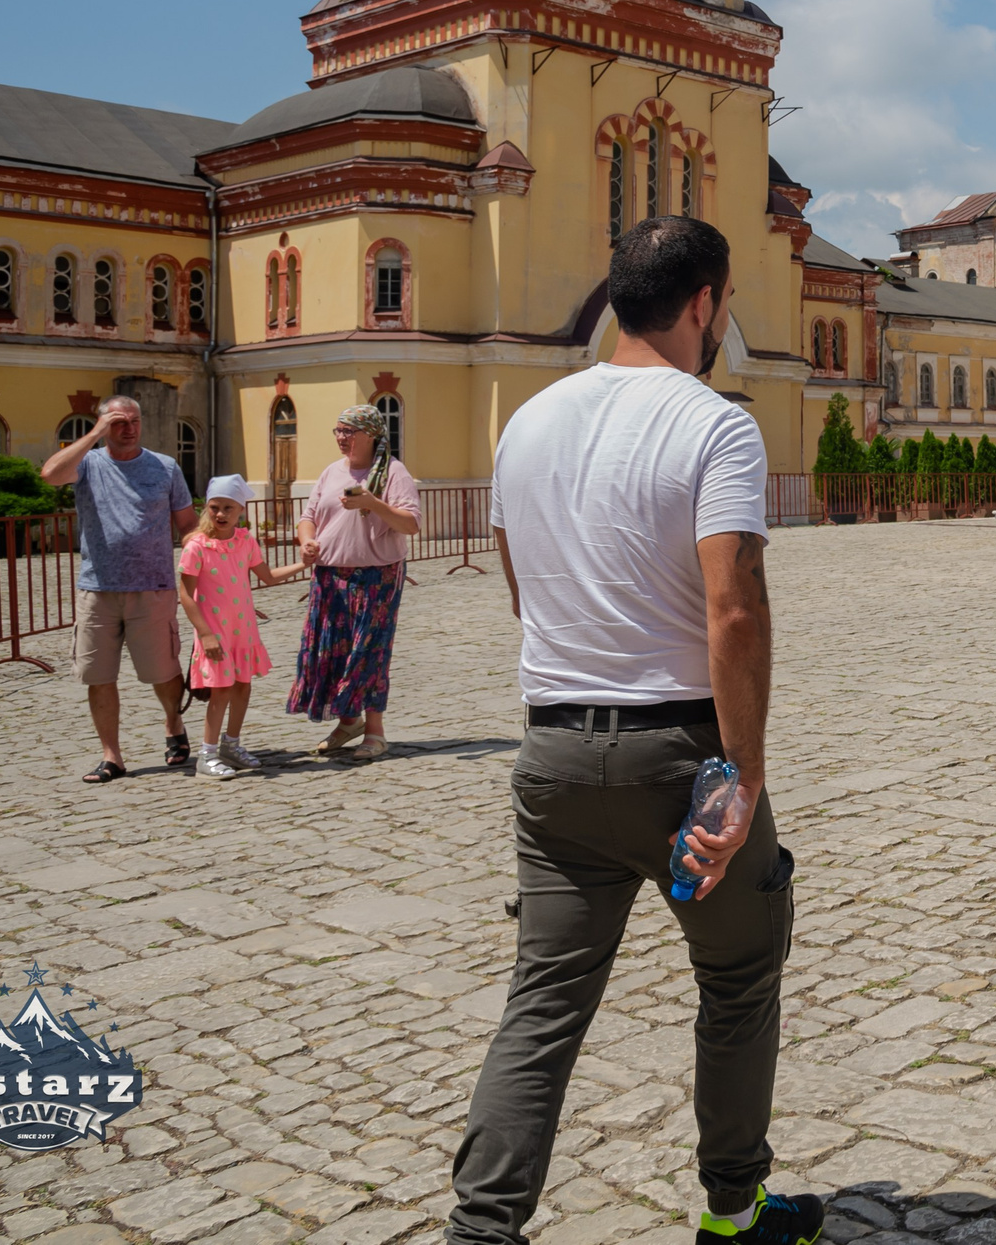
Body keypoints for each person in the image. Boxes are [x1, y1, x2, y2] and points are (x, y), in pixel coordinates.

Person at [450, 216, 821, 1245]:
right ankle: (734, 1211)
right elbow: (733, 603)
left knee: (544, 999)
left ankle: (482, 1226)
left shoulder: (525, 420)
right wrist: (739, 774)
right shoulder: (713, 424)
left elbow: (523, 589)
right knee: (739, 972)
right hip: (678, 753)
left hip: (554, 749)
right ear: (704, 301)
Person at [40, 394, 199, 784]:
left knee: (163, 671)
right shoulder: (88, 465)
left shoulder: (165, 467)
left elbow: (187, 524)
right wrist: (95, 432)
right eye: (118, 423)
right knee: (99, 675)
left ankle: (173, 722)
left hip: (154, 587)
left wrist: (202, 571)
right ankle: (112, 756)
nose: (127, 429)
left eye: (133, 421)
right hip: (98, 588)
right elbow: (49, 475)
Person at [286, 404, 421, 759]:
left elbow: (410, 523)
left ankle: (374, 731)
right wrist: (307, 541)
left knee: (368, 652)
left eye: (349, 431)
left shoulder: (393, 472)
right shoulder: (332, 472)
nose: (342, 438)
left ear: (371, 435)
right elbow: (308, 516)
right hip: (330, 576)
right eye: (338, 431)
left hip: (376, 577)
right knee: (332, 652)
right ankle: (348, 721)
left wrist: (373, 502)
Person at [175, 474, 305, 778]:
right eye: (214, 508)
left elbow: (268, 576)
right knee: (220, 691)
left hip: (243, 630)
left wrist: (304, 564)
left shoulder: (246, 541)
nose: (220, 514)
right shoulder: (197, 546)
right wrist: (205, 634)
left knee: (242, 686)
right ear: (206, 508)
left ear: (240, 511)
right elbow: (185, 594)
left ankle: (230, 745)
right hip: (214, 631)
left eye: (228, 509)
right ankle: (206, 754)